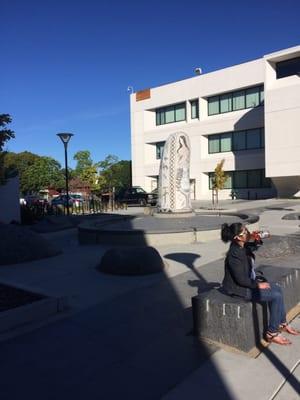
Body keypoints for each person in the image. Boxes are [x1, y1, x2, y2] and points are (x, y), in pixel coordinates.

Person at [221, 222, 299, 345]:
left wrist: (257, 239)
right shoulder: (233, 255)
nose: (247, 232)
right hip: (239, 289)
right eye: (244, 232)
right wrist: (258, 285)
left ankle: (282, 323)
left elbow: (253, 246)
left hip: (249, 283)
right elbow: (241, 280)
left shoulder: (243, 246)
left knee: (277, 288)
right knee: (275, 296)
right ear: (237, 237)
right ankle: (271, 332)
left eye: (246, 229)